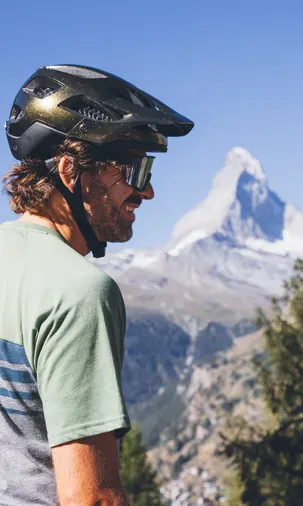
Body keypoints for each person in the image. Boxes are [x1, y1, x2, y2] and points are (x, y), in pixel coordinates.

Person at [0, 64, 193, 505]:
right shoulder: (79, 291)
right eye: (133, 170)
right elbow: (93, 497)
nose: (147, 193)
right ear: (71, 171)